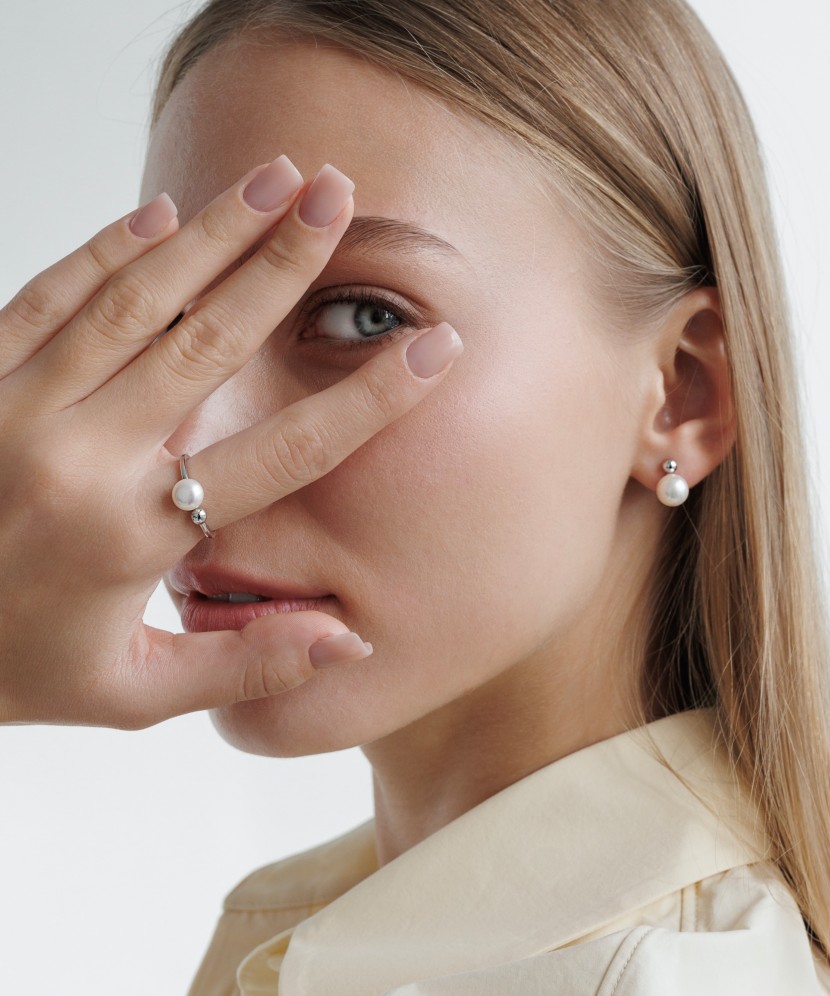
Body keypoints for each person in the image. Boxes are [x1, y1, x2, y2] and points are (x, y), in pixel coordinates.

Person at [2, 0, 829, 992]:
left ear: (681, 396)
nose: (185, 439)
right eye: (177, 323)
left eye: (361, 315)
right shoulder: (343, 932)